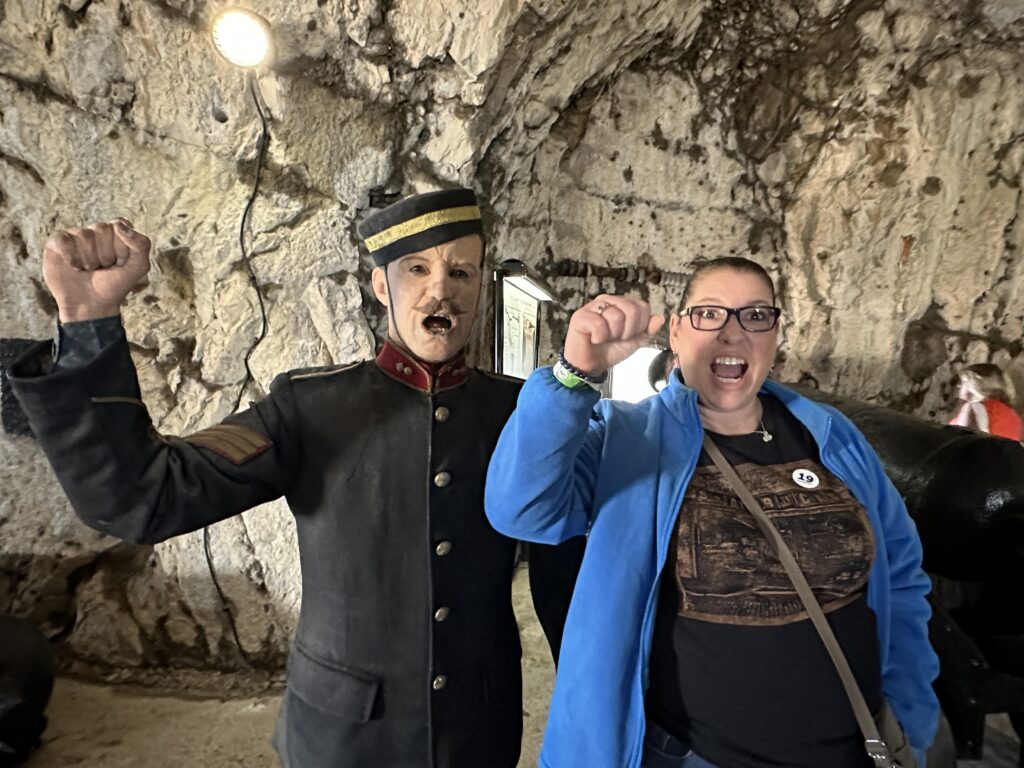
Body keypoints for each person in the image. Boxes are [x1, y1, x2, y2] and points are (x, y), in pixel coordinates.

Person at [9, 188, 569, 767]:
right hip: (343, 737)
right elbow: (145, 496)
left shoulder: (521, 414)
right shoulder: (310, 408)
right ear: (382, 287)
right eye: (417, 269)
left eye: (462, 271)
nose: (440, 290)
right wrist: (88, 324)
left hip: (475, 730)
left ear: (481, 285)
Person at [485, 256, 940, 768]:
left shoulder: (830, 435)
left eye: (754, 316)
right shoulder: (626, 439)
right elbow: (520, 509)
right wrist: (574, 376)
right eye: (709, 314)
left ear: (774, 334)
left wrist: (910, 710)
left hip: (853, 748)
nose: (732, 333)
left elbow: (900, 574)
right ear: (676, 332)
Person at [949, 362, 1023, 441]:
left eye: (964, 381)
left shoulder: (973, 409)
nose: (959, 386)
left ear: (975, 381)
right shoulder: (1014, 418)